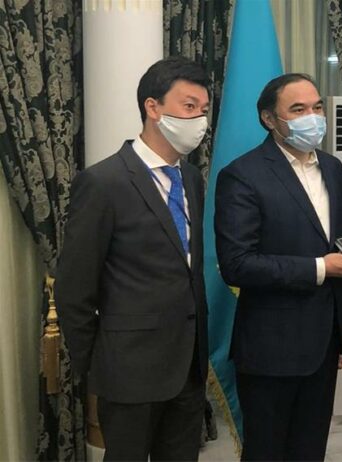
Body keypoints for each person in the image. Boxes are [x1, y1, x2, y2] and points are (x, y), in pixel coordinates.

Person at [56, 56, 210, 460]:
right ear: (152, 107)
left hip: (188, 368)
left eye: (204, 109)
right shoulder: (103, 182)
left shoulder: (191, 178)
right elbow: (74, 290)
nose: (199, 120)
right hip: (128, 373)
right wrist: (99, 365)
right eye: (189, 106)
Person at [214, 73, 342, 461]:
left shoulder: (333, 168)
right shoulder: (242, 175)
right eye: (298, 109)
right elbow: (237, 264)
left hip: (324, 344)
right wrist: (319, 268)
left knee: (310, 450)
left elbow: (340, 241)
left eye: (317, 107)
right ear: (269, 119)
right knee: (267, 452)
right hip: (271, 349)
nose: (312, 117)